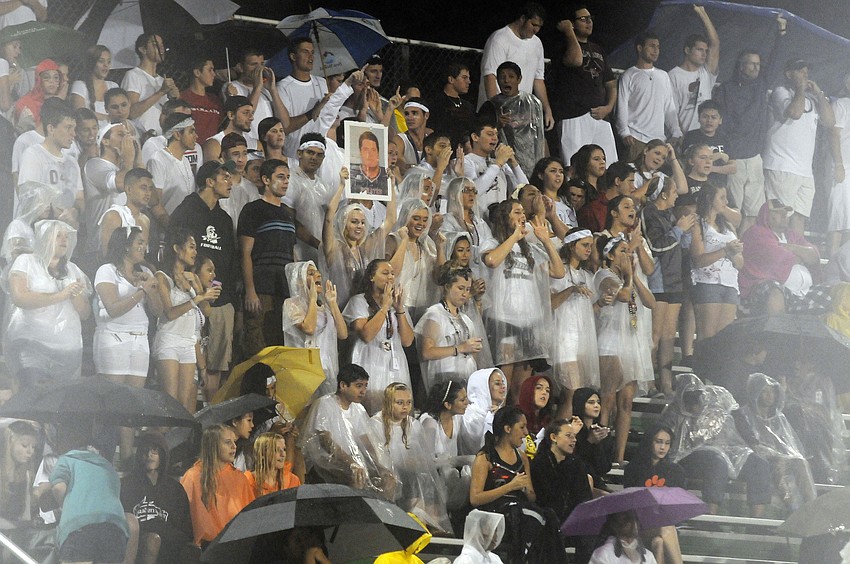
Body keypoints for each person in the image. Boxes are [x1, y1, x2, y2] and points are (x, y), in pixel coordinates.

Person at [169, 160, 239, 401]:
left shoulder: (224, 219)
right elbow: (173, 252)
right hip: (189, 298)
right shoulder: (186, 210)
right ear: (209, 182)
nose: (230, 182)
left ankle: (210, 415)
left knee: (216, 366)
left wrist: (228, 298)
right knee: (190, 363)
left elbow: (230, 262)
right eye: (224, 177)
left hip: (220, 300)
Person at [481, 199, 564, 397]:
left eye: (523, 213)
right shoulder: (492, 243)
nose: (523, 216)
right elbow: (491, 261)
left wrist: (546, 241)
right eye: (517, 212)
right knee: (502, 385)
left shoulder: (531, 250)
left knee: (522, 388)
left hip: (528, 322)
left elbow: (559, 272)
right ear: (505, 217)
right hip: (503, 320)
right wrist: (514, 237)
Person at [659, 373, 772, 516]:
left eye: (697, 402)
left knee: (759, 464)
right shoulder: (672, 413)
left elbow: (738, 417)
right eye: (690, 404)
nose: (695, 409)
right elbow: (664, 440)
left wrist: (753, 442)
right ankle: (711, 515)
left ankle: (756, 520)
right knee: (717, 462)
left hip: (728, 450)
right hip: (689, 456)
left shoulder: (718, 399)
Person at [94, 227, 162, 461]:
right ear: (125, 246)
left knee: (132, 403)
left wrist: (151, 288)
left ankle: (126, 458)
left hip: (139, 339)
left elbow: (158, 310)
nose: (144, 247)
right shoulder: (107, 271)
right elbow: (113, 308)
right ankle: (103, 457)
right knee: (112, 401)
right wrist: (141, 291)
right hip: (114, 338)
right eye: (139, 242)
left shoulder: (145, 272)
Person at [469, 406, 567, 564]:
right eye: (522, 427)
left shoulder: (522, 458)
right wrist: (510, 486)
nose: (526, 432)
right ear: (507, 429)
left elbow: (532, 497)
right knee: (527, 516)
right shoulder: (485, 458)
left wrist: (526, 489)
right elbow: (475, 498)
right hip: (497, 514)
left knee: (549, 516)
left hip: (522, 511)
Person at [7, 220, 91, 385]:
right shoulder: (26, 261)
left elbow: (85, 314)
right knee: (32, 394)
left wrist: (75, 296)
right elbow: (19, 298)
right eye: (58, 236)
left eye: (66, 236)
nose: (64, 240)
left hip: (67, 350)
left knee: (62, 397)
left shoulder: (73, 269)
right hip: (32, 345)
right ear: (44, 238)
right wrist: (61, 295)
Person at [593, 236, 655, 462]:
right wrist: (629, 277)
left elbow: (651, 303)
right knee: (607, 401)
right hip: (610, 343)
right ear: (610, 255)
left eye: (629, 251)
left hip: (630, 343)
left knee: (626, 402)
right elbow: (623, 296)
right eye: (622, 251)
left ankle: (618, 457)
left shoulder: (630, 278)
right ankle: (599, 453)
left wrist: (634, 276)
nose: (628, 255)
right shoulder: (604, 275)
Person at [299, 364, 396, 499]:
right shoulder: (325, 404)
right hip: (328, 463)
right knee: (357, 478)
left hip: (353, 463)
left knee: (389, 479)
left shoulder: (358, 409)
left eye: (365, 386)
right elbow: (326, 442)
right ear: (343, 385)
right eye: (359, 386)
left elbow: (366, 443)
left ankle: (382, 510)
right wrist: (351, 464)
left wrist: (379, 466)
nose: (363, 391)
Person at [763, 59, 836, 235]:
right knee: (780, 217)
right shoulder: (781, 92)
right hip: (781, 166)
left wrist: (819, 94)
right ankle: (774, 250)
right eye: (800, 71)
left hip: (805, 171)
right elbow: (795, 113)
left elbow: (830, 122)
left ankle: (795, 252)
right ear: (789, 74)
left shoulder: (812, 99)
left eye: (806, 72)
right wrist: (801, 88)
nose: (805, 75)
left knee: (800, 217)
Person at [368, 382, 451, 533]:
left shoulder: (413, 425)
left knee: (427, 489)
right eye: (400, 403)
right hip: (386, 475)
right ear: (388, 402)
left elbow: (423, 458)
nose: (405, 407)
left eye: (408, 402)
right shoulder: (375, 424)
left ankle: (426, 528)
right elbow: (375, 457)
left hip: (410, 475)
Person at [154, 229, 219, 413]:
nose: (195, 252)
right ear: (177, 248)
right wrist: (196, 299)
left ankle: (177, 433)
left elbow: (207, 311)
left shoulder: (192, 278)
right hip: (169, 340)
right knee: (170, 400)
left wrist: (198, 289)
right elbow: (169, 313)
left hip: (188, 343)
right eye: (191, 247)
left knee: (184, 404)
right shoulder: (162, 276)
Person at [733, 373, 816, 512]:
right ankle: (793, 510)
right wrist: (777, 455)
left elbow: (788, 444)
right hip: (754, 460)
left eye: (772, 391)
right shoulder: (742, 415)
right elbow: (751, 444)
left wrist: (785, 455)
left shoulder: (778, 418)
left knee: (800, 462)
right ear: (755, 392)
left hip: (779, 457)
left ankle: (812, 507)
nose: (769, 395)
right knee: (780, 465)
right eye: (764, 391)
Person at [641, 179, 694, 397]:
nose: (676, 196)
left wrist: (687, 230)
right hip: (659, 280)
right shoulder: (649, 213)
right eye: (673, 192)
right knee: (654, 335)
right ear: (663, 194)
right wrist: (679, 229)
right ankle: (648, 382)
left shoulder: (670, 215)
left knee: (669, 337)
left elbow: (682, 245)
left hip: (675, 279)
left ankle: (666, 383)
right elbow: (656, 246)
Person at [237, 158, 296, 354]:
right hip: (261, 289)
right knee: (258, 347)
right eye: (280, 177)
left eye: (287, 177)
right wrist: (250, 291)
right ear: (266, 180)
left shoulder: (287, 214)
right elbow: (245, 253)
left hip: (284, 292)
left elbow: (291, 254)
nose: (286, 182)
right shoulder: (253, 210)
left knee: (279, 347)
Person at [342, 259, 415, 414]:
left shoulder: (397, 304)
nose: (390, 277)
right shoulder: (359, 301)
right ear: (371, 277)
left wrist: (399, 309)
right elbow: (367, 335)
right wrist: (385, 306)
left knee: (396, 409)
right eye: (385, 273)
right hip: (370, 361)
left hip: (395, 364)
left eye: (392, 274)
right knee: (371, 409)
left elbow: (407, 341)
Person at [50, 425, 131, 564]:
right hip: (115, 528)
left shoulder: (67, 459)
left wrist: (66, 505)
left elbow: (58, 487)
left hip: (79, 528)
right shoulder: (109, 467)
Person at [549, 5, 618, 163]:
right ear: (572, 23)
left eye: (590, 18)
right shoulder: (563, 46)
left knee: (608, 163)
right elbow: (576, 60)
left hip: (600, 116)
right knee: (574, 163)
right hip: (573, 115)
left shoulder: (598, 49)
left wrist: (608, 108)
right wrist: (569, 31)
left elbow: (611, 83)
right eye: (583, 19)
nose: (589, 22)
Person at [321, 163, 395, 310]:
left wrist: (391, 186)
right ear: (343, 223)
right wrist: (342, 186)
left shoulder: (364, 247)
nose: (359, 226)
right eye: (354, 222)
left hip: (362, 310)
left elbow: (391, 220)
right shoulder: (334, 247)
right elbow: (329, 217)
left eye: (362, 222)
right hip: (338, 310)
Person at [714, 50, 771, 234]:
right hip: (734, 159)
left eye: (758, 64)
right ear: (741, 65)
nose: (756, 68)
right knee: (732, 211)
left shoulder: (761, 86)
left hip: (755, 158)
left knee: (754, 213)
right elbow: (721, 123)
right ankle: (731, 247)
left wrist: (780, 38)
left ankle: (744, 248)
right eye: (751, 63)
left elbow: (774, 63)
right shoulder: (726, 89)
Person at [739, 199, 824, 315]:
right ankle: (777, 327)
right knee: (774, 292)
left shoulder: (792, 235)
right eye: (778, 212)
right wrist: (802, 256)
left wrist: (791, 248)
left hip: (804, 292)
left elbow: (814, 255)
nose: (784, 216)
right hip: (776, 291)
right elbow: (777, 258)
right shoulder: (756, 232)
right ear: (766, 215)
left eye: (785, 213)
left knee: (840, 292)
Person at [477, 3, 554, 132]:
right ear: (522, 18)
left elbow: (538, 79)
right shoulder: (500, 39)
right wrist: (496, 111)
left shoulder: (537, 43)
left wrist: (547, 109)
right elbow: (490, 76)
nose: (536, 30)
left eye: (539, 27)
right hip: (499, 115)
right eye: (533, 25)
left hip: (521, 116)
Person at [120, 432, 192, 564]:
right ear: (139, 454)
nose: (149, 455)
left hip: (169, 547)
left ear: (163, 455)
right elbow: (124, 525)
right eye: (145, 451)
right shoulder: (126, 485)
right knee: (152, 540)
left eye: (155, 451)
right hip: (137, 545)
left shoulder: (175, 489)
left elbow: (185, 529)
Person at [530, 418, 594, 563]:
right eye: (568, 436)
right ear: (553, 437)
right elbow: (544, 498)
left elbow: (584, 497)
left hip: (572, 519)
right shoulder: (540, 463)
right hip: (546, 519)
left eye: (574, 436)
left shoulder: (576, 464)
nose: (574, 440)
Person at [180, 424, 255, 547]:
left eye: (234, 442)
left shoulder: (239, 478)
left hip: (235, 545)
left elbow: (250, 517)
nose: (234, 446)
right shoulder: (192, 476)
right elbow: (182, 518)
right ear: (213, 445)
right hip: (204, 548)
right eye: (227, 442)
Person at [551, 228, 599, 415]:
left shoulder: (587, 276)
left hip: (583, 342)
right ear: (571, 246)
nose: (589, 250)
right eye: (584, 245)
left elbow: (589, 310)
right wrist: (571, 290)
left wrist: (601, 303)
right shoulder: (558, 272)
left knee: (580, 396)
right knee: (571, 393)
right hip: (564, 339)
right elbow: (550, 304)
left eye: (591, 246)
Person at [623, 424, 685, 564]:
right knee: (666, 528)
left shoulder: (676, 471)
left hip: (665, 522)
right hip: (638, 525)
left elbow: (679, 505)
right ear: (649, 441)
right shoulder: (633, 468)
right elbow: (630, 502)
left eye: (667, 443)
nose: (663, 447)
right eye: (659, 442)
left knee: (658, 542)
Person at [283, 261, 348, 395]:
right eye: (311, 273)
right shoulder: (292, 304)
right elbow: (309, 328)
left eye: (318, 273)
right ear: (299, 281)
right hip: (305, 369)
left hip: (328, 368)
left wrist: (332, 303)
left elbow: (343, 334)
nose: (318, 275)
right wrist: (312, 299)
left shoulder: (324, 306)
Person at [616, 31, 683, 162]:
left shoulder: (663, 76)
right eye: (652, 46)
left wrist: (676, 131)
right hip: (636, 138)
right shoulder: (629, 75)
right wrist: (624, 132)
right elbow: (621, 105)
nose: (656, 50)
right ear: (640, 48)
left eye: (658, 47)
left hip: (659, 140)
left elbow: (669, 106)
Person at [414, 265, 482, 390]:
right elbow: (427, 352)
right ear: (447, 287)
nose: (465, 294)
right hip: (443, 378)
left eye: (468, 289)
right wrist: (461, 348)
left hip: (466, 378)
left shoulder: (466, 320)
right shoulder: (435, 314)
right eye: (460, 288)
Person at [83, 121, 143, 261]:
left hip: (126, 249)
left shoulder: (125, 169)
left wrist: (138, 159)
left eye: (129, 135)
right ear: (105, 141)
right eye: (121, 134)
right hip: (100, 250)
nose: (127, 139)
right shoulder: (94, 165)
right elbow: (121, 184)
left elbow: (145, 192)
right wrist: (129, 160)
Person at [17, 100, 82, 227]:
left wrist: (74, 211)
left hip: (65, 232)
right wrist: (58, 213)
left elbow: (80, 198)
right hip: (40, 231)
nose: (73, 134)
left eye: (74, 128)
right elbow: (29, 198)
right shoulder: (33, 155)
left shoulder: (72, 162)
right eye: (68, 128)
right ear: (51, 128)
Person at [691, 184, 743, 341]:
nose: (726, 202)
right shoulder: (698, 225)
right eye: (722, 198)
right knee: (707, 337)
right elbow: (698, 260)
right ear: (709, 199)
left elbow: (740, 263)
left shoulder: (728, 227)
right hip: (708, 283)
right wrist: (725, 251)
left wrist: (734, 254)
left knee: (723, 340)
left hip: (730, 284)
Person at [419, 379, 474, 512]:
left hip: (449, 477)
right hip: (431, 483)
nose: (467, 403)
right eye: (462, 400)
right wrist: (456, 460)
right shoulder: (430, 423)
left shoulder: (457, 418)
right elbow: (426, 464)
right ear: (448, 405)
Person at [667, 6, 720, 133]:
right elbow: (672, 111)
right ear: (687, 50)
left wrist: (702, 12)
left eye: (705, 51)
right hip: (683, 136)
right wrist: (679, 135)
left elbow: (715, 43)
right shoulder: (673, 75)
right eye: (699, 50)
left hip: (705, 136)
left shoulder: (706, 72)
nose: (704, 54)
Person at [385, 198, 438, 322]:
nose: (421, 223)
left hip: (421, 308)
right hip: (395, 306)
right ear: (405, 217)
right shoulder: (393, 240)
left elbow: (438, 278)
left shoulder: (427, 245)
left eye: (425, 220)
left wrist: (440, 248)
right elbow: (391, 273)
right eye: (416, 218)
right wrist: (404, 241)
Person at [277, 37, 331, 158]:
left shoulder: (322, 83)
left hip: (320, 154)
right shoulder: (283, 87)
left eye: (312, 52)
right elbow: (285, 127)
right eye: (305, 52)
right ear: (293, 56)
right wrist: (311, 113)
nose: (310, 56)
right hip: (295, 155)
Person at [463, 120, 529, 217]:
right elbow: (474, 191)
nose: (495, 138)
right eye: (490, 134)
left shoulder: (501, 164)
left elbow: (525, 191)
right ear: (475, 137)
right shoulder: (465, 161)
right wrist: (498, 164)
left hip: (501, 222)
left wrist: (514, 163)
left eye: (496, 135)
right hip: (477, 221)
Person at [224, 48, 289, 144]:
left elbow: (285, 123)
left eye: (261, 64)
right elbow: (244, 116)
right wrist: (257, 86)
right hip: (248, 145)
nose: (259, 69)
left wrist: (273, 90)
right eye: (253, 64)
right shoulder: (232, 87)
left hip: (269, 145)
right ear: (241, 67)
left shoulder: (266, 90)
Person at [122, 33, 178, 136]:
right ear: (143, 50)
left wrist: (175, 98)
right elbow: (131, 112)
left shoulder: (162, 80)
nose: (161, 48)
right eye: (156, 44)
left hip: (161, 136)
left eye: (162, 44)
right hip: (142, 135)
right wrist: (161, 92)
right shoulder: (133, 75)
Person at [146, 112, 197, 217]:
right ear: (177, 134)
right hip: (167, 224)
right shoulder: (158, 160)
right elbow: (155, 203)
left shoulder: (185, 161)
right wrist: (170, 226)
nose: (196, 136)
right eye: (191, 132)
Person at [98, 167, 152, 262]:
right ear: (128, 189)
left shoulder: (145, 220)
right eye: (143, 188)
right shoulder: (114, 216)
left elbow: (141, 257)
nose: (148, 193)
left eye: (150, 189)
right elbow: (107, 255)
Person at [681, 100, 736, 189]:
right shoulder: (690, 136)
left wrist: (711, 168)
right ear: (699, 118)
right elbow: (687, 162)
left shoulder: (724, 139)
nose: (709, 121)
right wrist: (719, 156)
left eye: (713, 117)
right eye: (705, 117)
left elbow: (733, 168)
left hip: (719, 186)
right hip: (695, 186)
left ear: (720, 120)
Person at [460, 368, 507, 456]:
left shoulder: (503, 413)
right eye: (497, 383)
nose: (503, 386)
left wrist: (501, 417)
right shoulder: (469, 416)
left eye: (503, 382)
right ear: (483, 388)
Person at [427, 62, 475, 147]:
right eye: (464, 78)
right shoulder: (436, 104)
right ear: (451, 79)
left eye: (468, 78)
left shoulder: (468, 106)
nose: (469, 82)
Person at [577, 161, 633, 233]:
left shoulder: (630, 210)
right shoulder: (592, 210)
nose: (633, 187)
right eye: (630, 181)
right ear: (617, 181)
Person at [0, 420, 38, 524]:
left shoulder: (27, 475)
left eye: (33, 447)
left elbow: (25, 515)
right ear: (10, 441)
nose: (30, 452)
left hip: (19, 529)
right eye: (24, 445)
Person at [69, 45, 118, 127]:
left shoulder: (113, 86)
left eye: (108, 62)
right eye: (101, 61)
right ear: (91, 63)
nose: (106, 65)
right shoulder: (80, 85)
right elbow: (80, 113)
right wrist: (107, 117)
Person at [589, 510, 658, 564]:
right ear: (614, 525)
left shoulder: (648, 556)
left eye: (635, 518)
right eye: (626, 518)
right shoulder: (604, 554)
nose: (633, 522)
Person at [179, 57, 222, 143]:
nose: (214, 74)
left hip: (213, 148)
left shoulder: (215, 100)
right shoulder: (183, 98)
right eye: (210, 70)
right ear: (197, 72)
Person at [13, 58, 62, 132]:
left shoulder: (60, 104)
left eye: (56, 78)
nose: (52, 81)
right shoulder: (25, 104)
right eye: (46, 77)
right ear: (38, 80)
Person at [244, 432, 300, 496]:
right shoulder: (247, 481)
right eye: (276, 450)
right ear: (262, 454)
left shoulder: (293, 480)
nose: (283, 454)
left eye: (284, 449)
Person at [202, 95, 257, 161]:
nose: (251, 118)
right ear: (231, 115)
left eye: (252, 113)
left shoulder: (256, 144)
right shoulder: (214, 144)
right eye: (246, 113)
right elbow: (212, 167)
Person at [392, 98, 431, 171]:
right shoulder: (399, 140)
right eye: (407, 114)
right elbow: (399, 166)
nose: (409, 118)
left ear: (426, 115)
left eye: (414, 113)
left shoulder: (431, 137)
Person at [351, 130, 390, 196]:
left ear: (378, 153)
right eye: (366, 150)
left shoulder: (387, 175)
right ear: (360, 152)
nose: (370, 154)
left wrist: (391, 184)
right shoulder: (351, 173)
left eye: (373, 150)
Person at [516, 374, 553, 439]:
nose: (544, 392)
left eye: (547, 391)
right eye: (539, 388)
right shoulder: (515, 415)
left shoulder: (548, 421)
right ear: (527, 390)